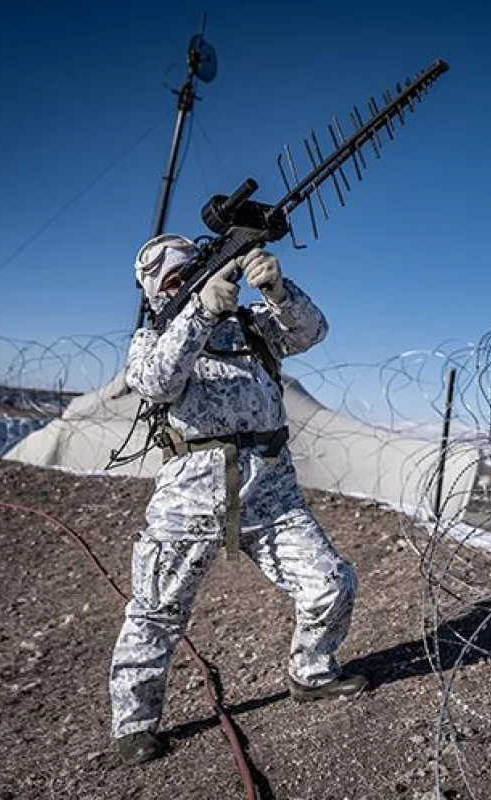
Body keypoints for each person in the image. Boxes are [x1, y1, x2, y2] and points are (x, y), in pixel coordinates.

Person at [109, 234, 365, 766]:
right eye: (173, 281)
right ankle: (133, 725)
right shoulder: (151, 337)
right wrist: (198, 314)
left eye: (192, 274)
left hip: (271, 489)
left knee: (330, 582)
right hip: (191, 499)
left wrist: (276, 289)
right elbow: (156, 383)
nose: (187, 285)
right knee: (157, 611)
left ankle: (312, 672)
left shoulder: (252, 326)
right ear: (155, 291)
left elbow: (311, 332)